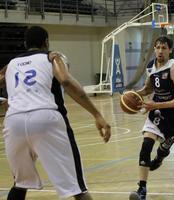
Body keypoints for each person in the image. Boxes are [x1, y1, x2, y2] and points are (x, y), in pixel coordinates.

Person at [2, 26, 111, 200]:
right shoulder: (52, 57)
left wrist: (11, 99)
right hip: (46, 118)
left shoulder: (11, 65)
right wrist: (97, 114)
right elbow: (66, 82)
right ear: (46, 42)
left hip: (13, 122)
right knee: (76, 187)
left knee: (20, 183)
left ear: (25, 44)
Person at [129, 35, 174, 200]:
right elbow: (148, 88)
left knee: (162, 150)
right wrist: (134, 94)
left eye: (164, 48)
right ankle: (142, 190)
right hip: (157, 113)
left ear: (170, 50)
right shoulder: (151, 67)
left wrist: (155, 105)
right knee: (146, 145)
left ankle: (161, 156)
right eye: (158, 47)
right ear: (154, 49)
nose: (160, 51)